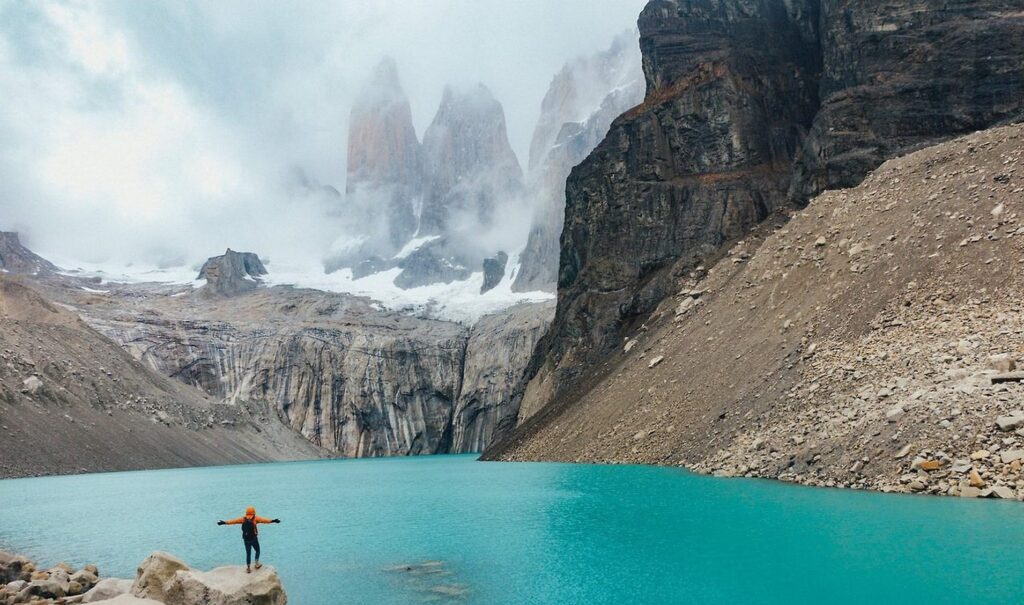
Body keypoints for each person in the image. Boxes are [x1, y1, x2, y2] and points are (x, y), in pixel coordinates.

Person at [217, 506, 281, 573]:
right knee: (257, 550)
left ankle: (248, 568)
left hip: (246, 539)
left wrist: (224, 522)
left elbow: (233, 521)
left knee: (248, 553)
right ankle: (256, 563)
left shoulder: (243, 519)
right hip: (254, 538)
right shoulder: (256, 518)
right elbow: (265, 520)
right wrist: (274, 521)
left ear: (246, 513)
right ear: (254, 512)